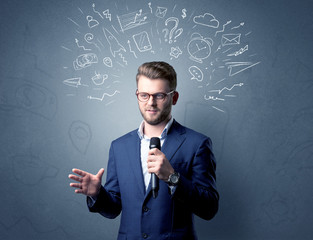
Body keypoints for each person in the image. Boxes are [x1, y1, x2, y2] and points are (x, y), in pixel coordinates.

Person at [69, 61, 219, 240]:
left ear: (174, 97)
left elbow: (209, 208)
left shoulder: (197, 143)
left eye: (160, 95)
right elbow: (113, 209)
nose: (151, 103)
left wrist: (172, 178)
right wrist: (97, 193)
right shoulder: (119, 147)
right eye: (144, 95)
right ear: (137, 95)